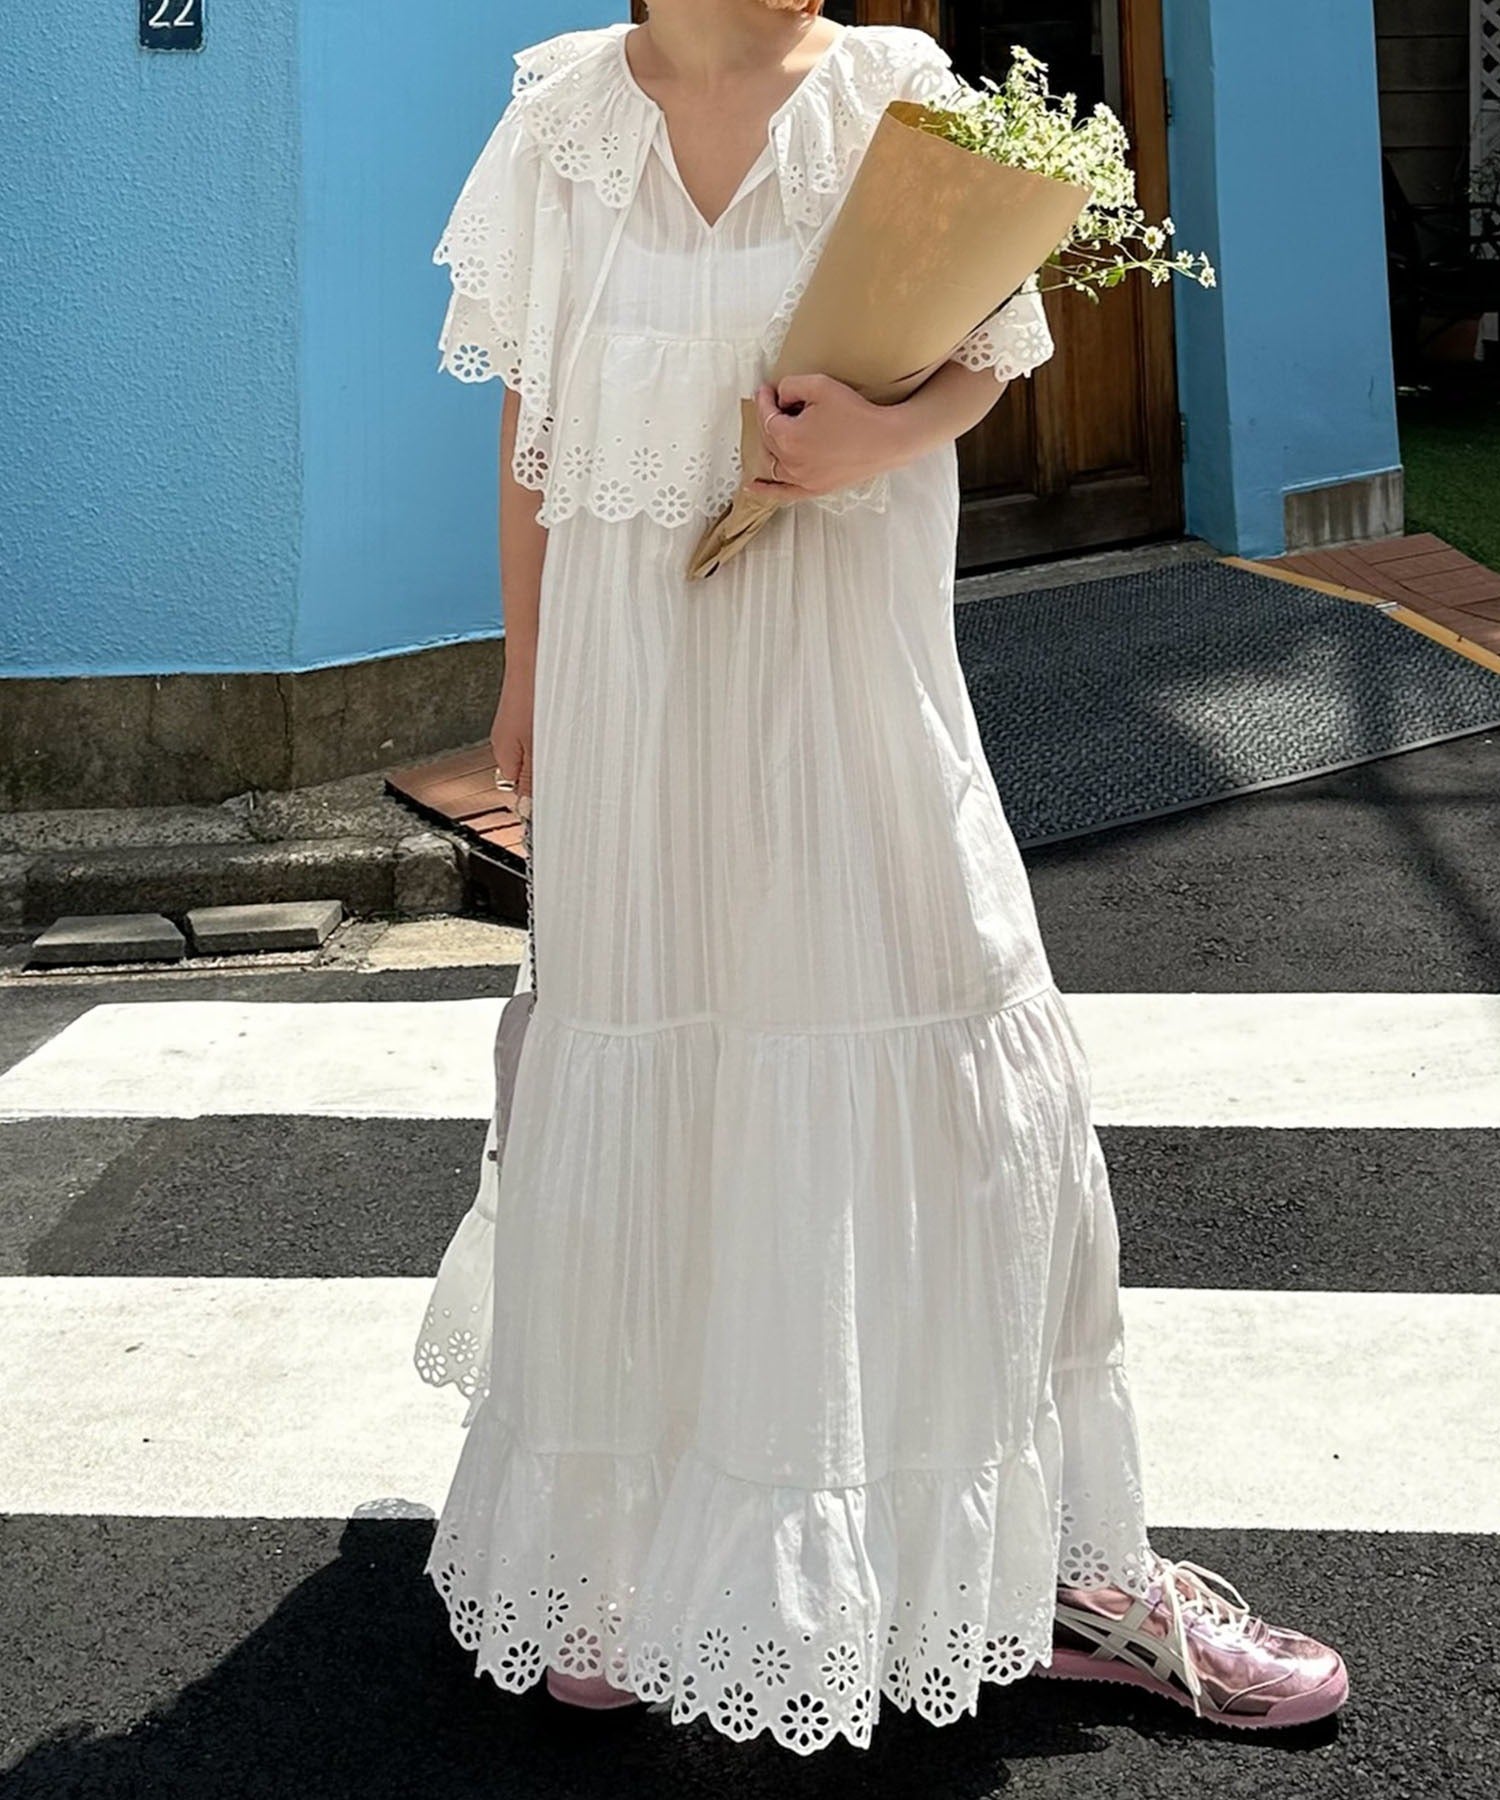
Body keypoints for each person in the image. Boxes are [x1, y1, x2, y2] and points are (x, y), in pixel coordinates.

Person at [413, 0, 1349, 1755]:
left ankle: (1058, 1568)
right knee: (661, 1059)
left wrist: (874, 439)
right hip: (634, 696)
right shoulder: (557, 120)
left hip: (847, 669)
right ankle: (621, 1553)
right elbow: (537, 436)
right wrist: (528, 684)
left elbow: (989, 349)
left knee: (943, 1038)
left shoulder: (889, 91)